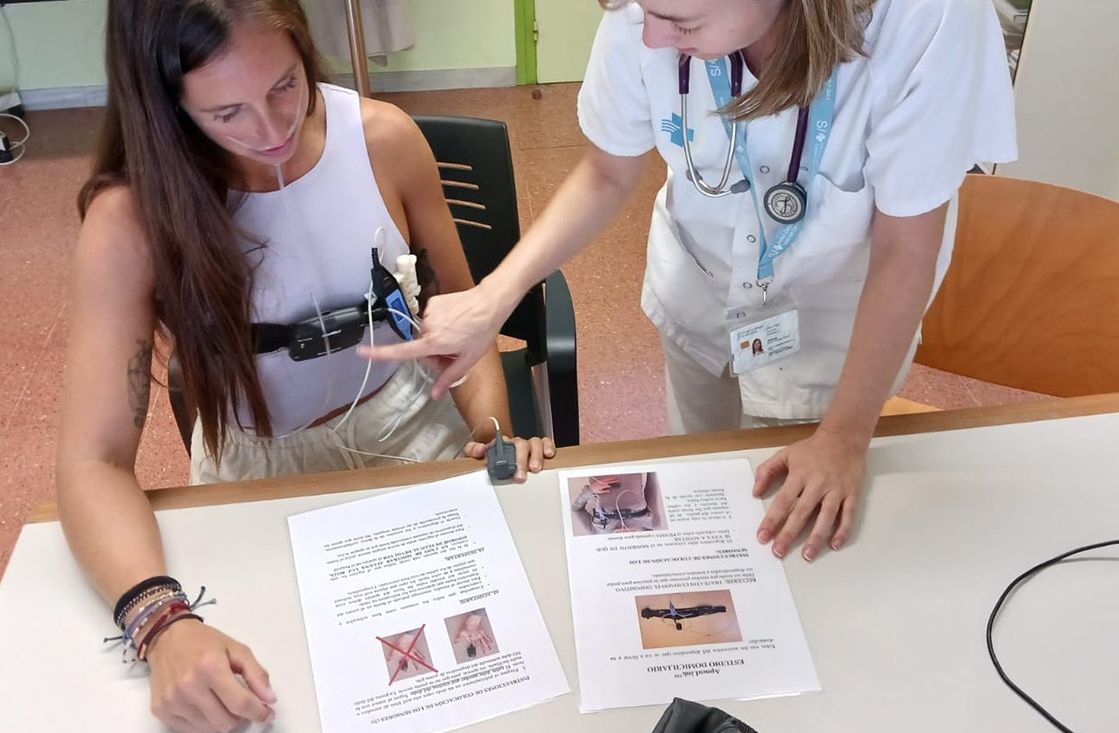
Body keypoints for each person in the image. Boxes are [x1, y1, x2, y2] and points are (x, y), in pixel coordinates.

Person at [363, 0, 1017, 562]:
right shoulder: (649, 14)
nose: (649, 36)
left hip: (837, 337)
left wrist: (845, 437)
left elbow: (906, 250)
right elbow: (607, 172)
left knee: (797, 531)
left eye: (677, 19)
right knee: (706, 486)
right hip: (702, 288)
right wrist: (493, 296)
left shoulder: (930, 21)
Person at [55, 0, 552, 733]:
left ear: (302, 45)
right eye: (228, 112)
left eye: (286, 84)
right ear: (165, 108)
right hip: (259, 467)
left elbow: (460, 317)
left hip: (416, 426)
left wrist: (488, 429)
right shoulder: (131, 220)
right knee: (283, 708)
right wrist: (160, 621)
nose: (273, 130)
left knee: (488, 687)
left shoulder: (383, 139)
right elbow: (92, 462)